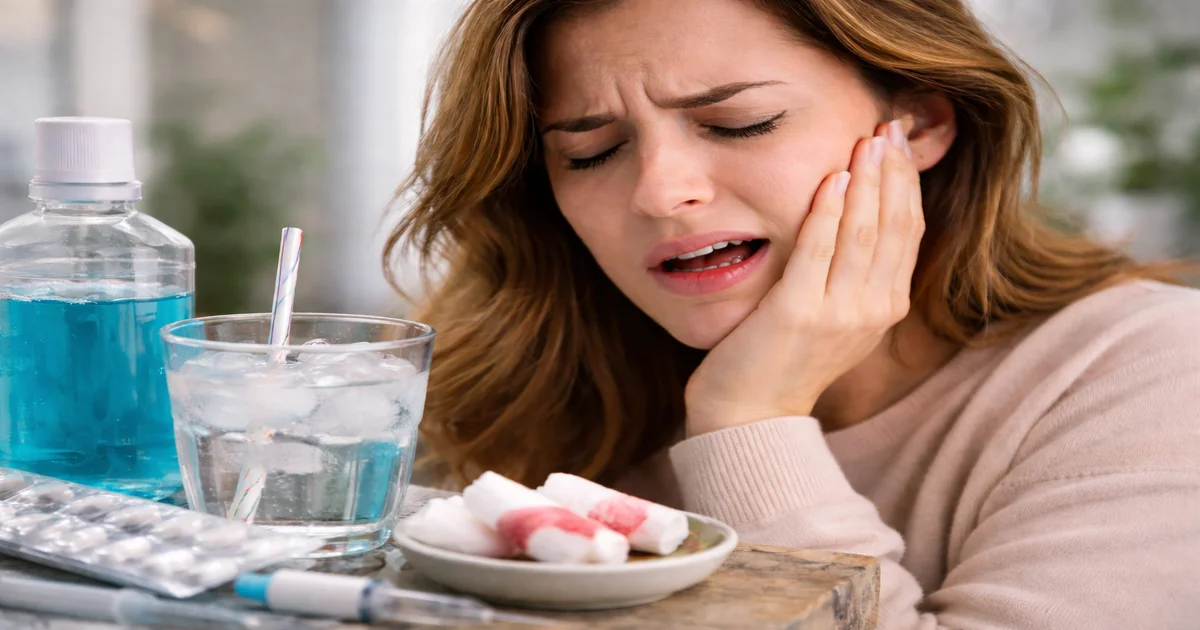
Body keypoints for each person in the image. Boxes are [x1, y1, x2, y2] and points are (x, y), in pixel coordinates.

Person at [384, 0, 1200, 627]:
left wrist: (750, 420)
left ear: (919, 123)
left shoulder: (1155, 369)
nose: (661, 192)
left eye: (740, 123)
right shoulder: (547, 401)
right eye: (591, 153)